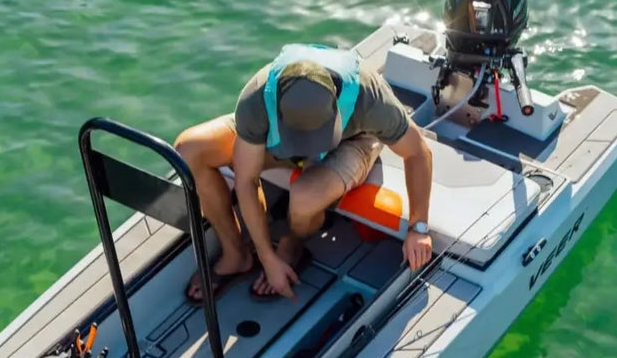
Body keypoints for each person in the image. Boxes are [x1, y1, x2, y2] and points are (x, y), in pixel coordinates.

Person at [174, 43, 433, 303]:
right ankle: (236, 254)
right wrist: (267, 257)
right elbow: (246, 180)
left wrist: (418, 228)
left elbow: (418, 152)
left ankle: (292, 245)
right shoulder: (256, 98)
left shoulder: (371, 98)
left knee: (305, 197)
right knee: (189, 150)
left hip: (351, 140)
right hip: (279, 137)